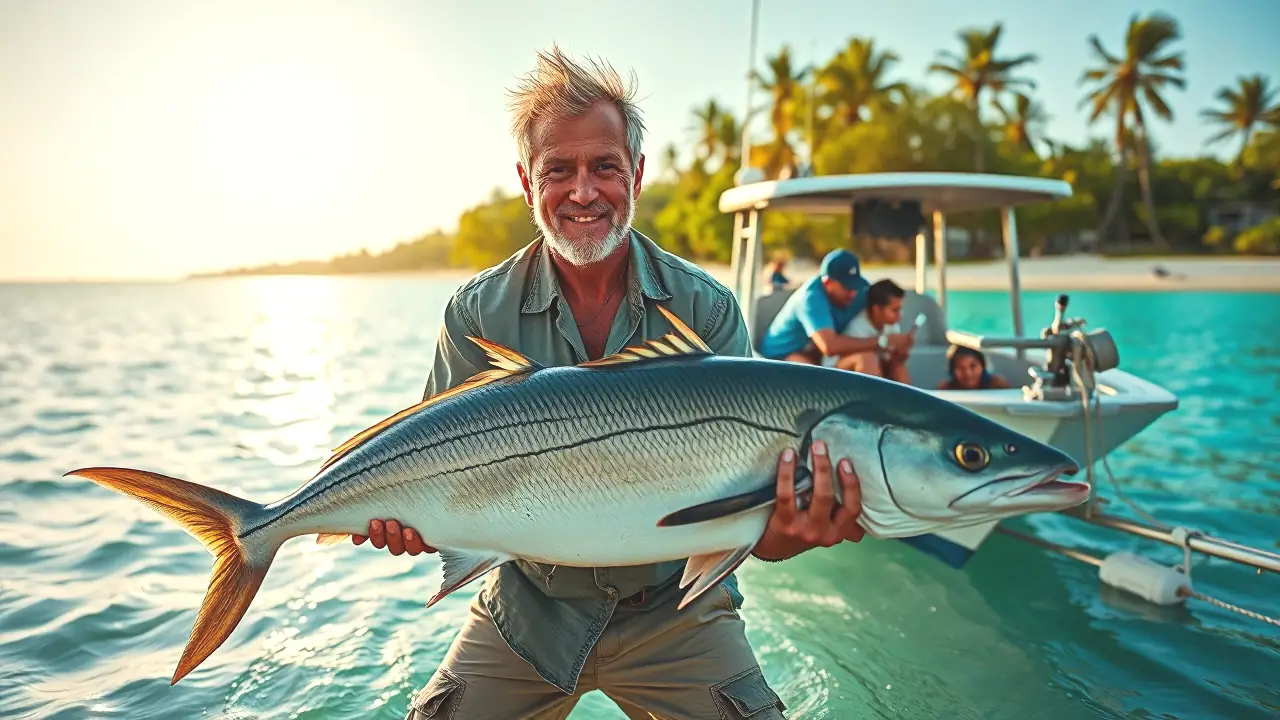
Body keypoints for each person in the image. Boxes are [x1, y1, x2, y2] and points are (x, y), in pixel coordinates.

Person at [350, 47, 866, 720]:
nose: (584, 191)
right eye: (558, 170)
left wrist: (797, 530)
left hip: (678, 611)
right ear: (526, 181)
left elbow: (754, 533)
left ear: (638, 175)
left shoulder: (706, 311)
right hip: (528, 608)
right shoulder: (477, 313)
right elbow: (433, 474)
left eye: (605, 167)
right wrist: (409, 521)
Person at [759, 248, 913, 367]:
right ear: (827, 283)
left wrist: (897, 346)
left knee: (886, 362)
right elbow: (829, 346)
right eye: (846, 288)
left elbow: (880, 312)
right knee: (807, 371)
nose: (853, 293)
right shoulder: (811, 299)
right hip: (781, 356)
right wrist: (883, 341)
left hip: (819, 357)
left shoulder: (861, 291)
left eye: (855, 286)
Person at [832, 279, 914, 384]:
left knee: (897, 363)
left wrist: (899, 354)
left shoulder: (891, 325)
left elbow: (886, 358)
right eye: (895, 310)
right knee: (868, 358)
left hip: (870, 370)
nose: (900, 315)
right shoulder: (857, 327)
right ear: (877, 310)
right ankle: (874, 399)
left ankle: (908, 398)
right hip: (836, 371)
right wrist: (884, 342)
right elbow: (847, 358)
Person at [937, 344, 1011, 390]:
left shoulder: (998, 386)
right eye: (960, 368)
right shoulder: (945, 390)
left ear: (983, 366)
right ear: (952, 371)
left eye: (973, 366)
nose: (968, 374)